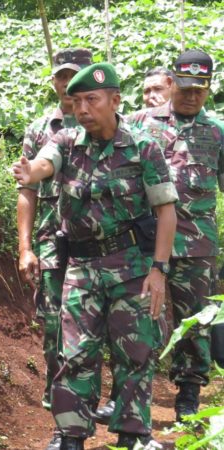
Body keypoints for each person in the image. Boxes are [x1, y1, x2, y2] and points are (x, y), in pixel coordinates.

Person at [12, 62, 178, 450]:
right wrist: (30, 171)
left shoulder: (143, 147)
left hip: (131, 266)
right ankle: (71, 435)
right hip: (82, 267)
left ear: (115, 100)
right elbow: (44, 163)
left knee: (135, 352)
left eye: (91, 99)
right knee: (75, 354)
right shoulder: (68, 142)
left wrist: (159, 270)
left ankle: (133, 434)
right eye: (77, 100)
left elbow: (165, 211)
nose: (82, 108)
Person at [128, 49, 224, 422]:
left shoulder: (217, 132)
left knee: (195, 320)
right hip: (144, 240)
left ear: (209, 87)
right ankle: (133, 392)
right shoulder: (139, 123)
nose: (191, 95)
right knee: (137, 316)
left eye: (200, 88)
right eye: (184, 87)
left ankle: (188, 394)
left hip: (197, 244)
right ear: (170, 83)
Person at [16, 47, 92, 450]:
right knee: (51, 325)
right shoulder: (40, 128)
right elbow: (26, 190)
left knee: (91, 329)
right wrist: (24, 246)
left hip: (95, 245)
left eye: (75, 76)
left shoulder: (111, 125)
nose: (67, 84)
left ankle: (84, 404)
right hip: (50, 243)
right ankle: (59, 407)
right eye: (62, 76)